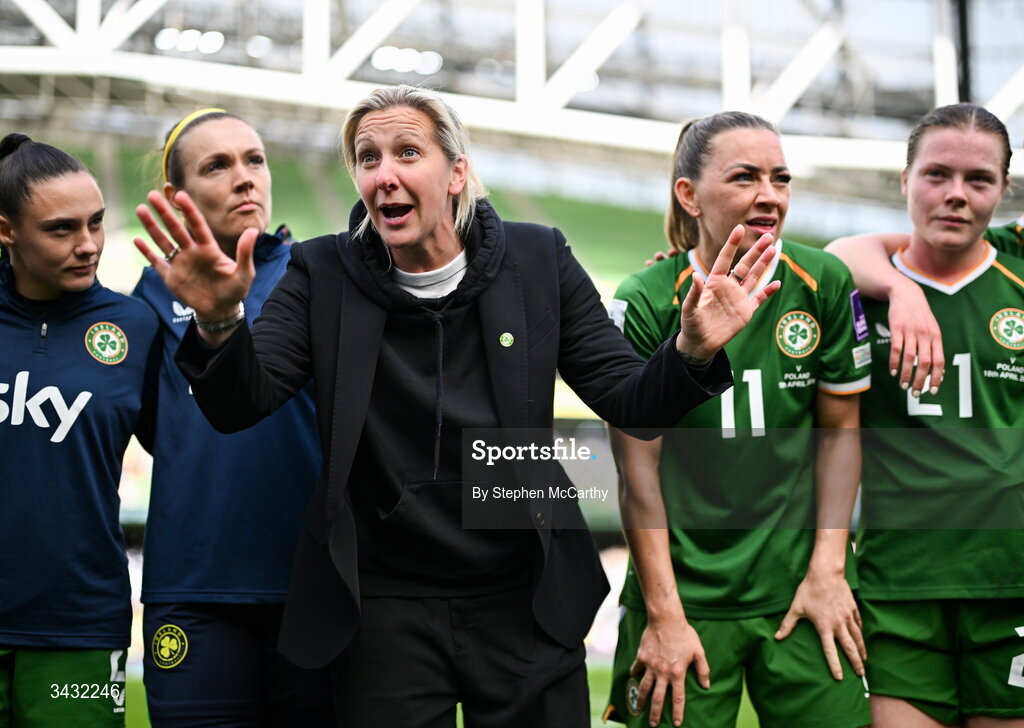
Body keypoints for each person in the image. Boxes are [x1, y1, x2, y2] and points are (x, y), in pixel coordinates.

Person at [132, 84, 780, 727]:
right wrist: (218, 324)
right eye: (367, 158)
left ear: (456, 172)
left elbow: (631, 400)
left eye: (407, 152)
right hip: (384, 609)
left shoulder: (538, 259)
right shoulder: (320, 273)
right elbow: (244, 402)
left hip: (524, 593)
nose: (384, 174)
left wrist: (690, 350)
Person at [604, 111, 873, 728]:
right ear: (688, 195)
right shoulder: (645, 298)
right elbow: (636, 474)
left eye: (781, 179)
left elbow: (841, 432)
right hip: (683, 597)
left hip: (802, 589)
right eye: (745, 177)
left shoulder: (823, 281)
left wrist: (830, 571)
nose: (769, 195)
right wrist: (665, 616)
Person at [132, 109, 333, 725]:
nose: (245, 178)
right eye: (217, 166)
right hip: (194, 592)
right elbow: (150, 426)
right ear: (178, 196)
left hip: (314, 590)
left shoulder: (322, 276)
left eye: (254, 159)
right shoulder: (145, 298)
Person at [825, 103, 1024, 728]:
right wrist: (902, 288)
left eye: (980, 180)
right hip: (898, 585)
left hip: (1012, 582)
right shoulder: (853, 290)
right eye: (937, 174)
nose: (956, 195)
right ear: (903, 180)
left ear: (1005, 191)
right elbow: (837, 252)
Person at [0, 133, 160, 726]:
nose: (88, 244)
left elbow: (181, 448)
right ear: (5, 231)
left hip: (81, 629)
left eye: (95, 222)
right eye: (62, 229)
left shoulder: (134, 326)